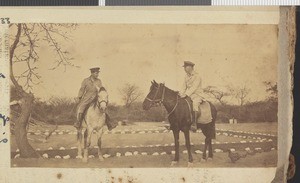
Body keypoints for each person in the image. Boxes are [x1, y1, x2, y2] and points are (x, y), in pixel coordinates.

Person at [179, 61, 205, 132]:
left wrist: (186, 94)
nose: (184, 69)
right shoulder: (186, 76)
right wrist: (181, 94)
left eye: (186, 67)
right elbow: (183, 87)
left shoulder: (197, 76)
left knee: (195, 104)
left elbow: (194, 87)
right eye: (184, 67)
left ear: (190, 67)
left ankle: (194, 123)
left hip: (197, 95)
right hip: (189, 95)